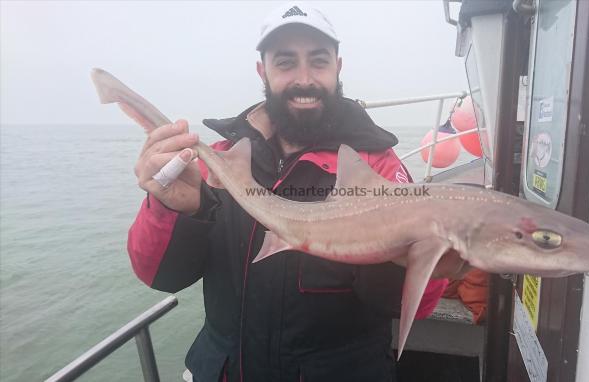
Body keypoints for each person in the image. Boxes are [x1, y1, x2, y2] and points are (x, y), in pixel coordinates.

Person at [127, 2, 447, 381]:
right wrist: (174, 209)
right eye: (285, 63)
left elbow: (419, 304)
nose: (305, 79)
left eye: (318, 61)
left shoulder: (378, 167)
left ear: (338, 67)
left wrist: (407, 252)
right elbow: (160, 276)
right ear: (262, 71)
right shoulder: (222, 162)